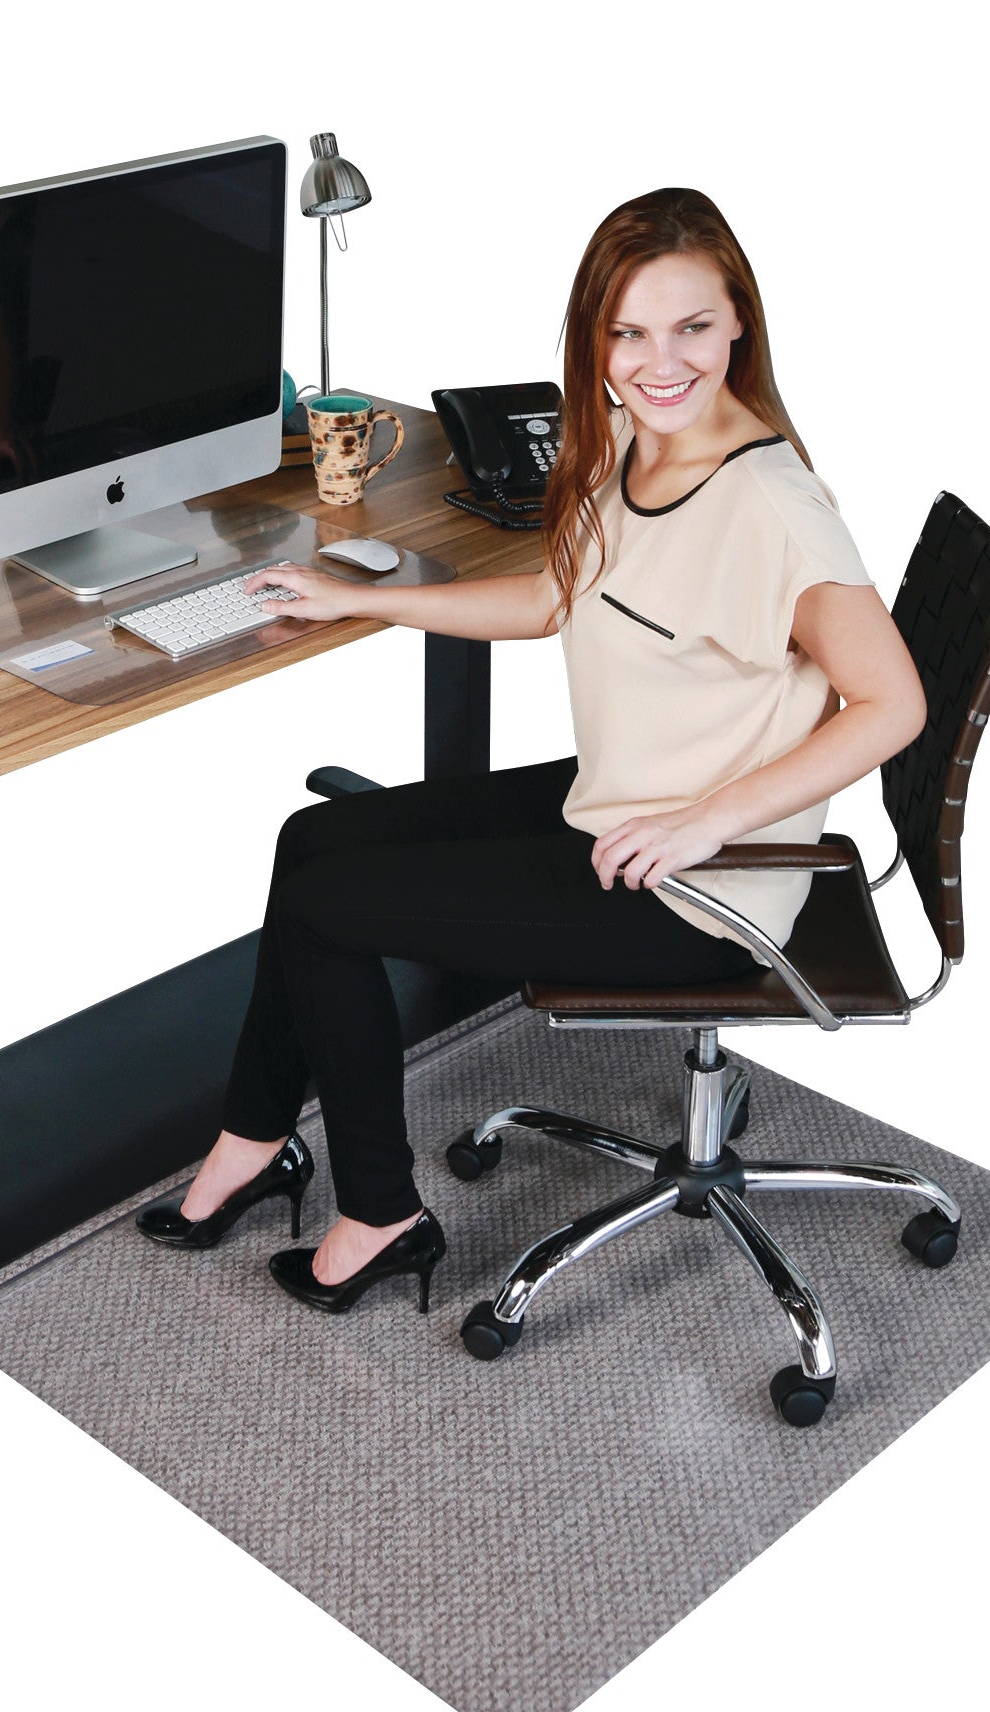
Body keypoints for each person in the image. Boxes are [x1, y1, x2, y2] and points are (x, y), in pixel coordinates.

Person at [134, 188, 927, 1316]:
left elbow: (892, 704)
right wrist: (364, 603)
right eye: (630, 333)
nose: (662, 361)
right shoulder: (640, 447)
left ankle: (381, 1213)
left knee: (328, 912)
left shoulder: (771, 505)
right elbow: (561, 594)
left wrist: (705, 822)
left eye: (692, 326)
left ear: (739, 321)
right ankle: (256, 1143)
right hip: (618, 802)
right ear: (594, 339)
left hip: (694, 884)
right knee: (313, 840)